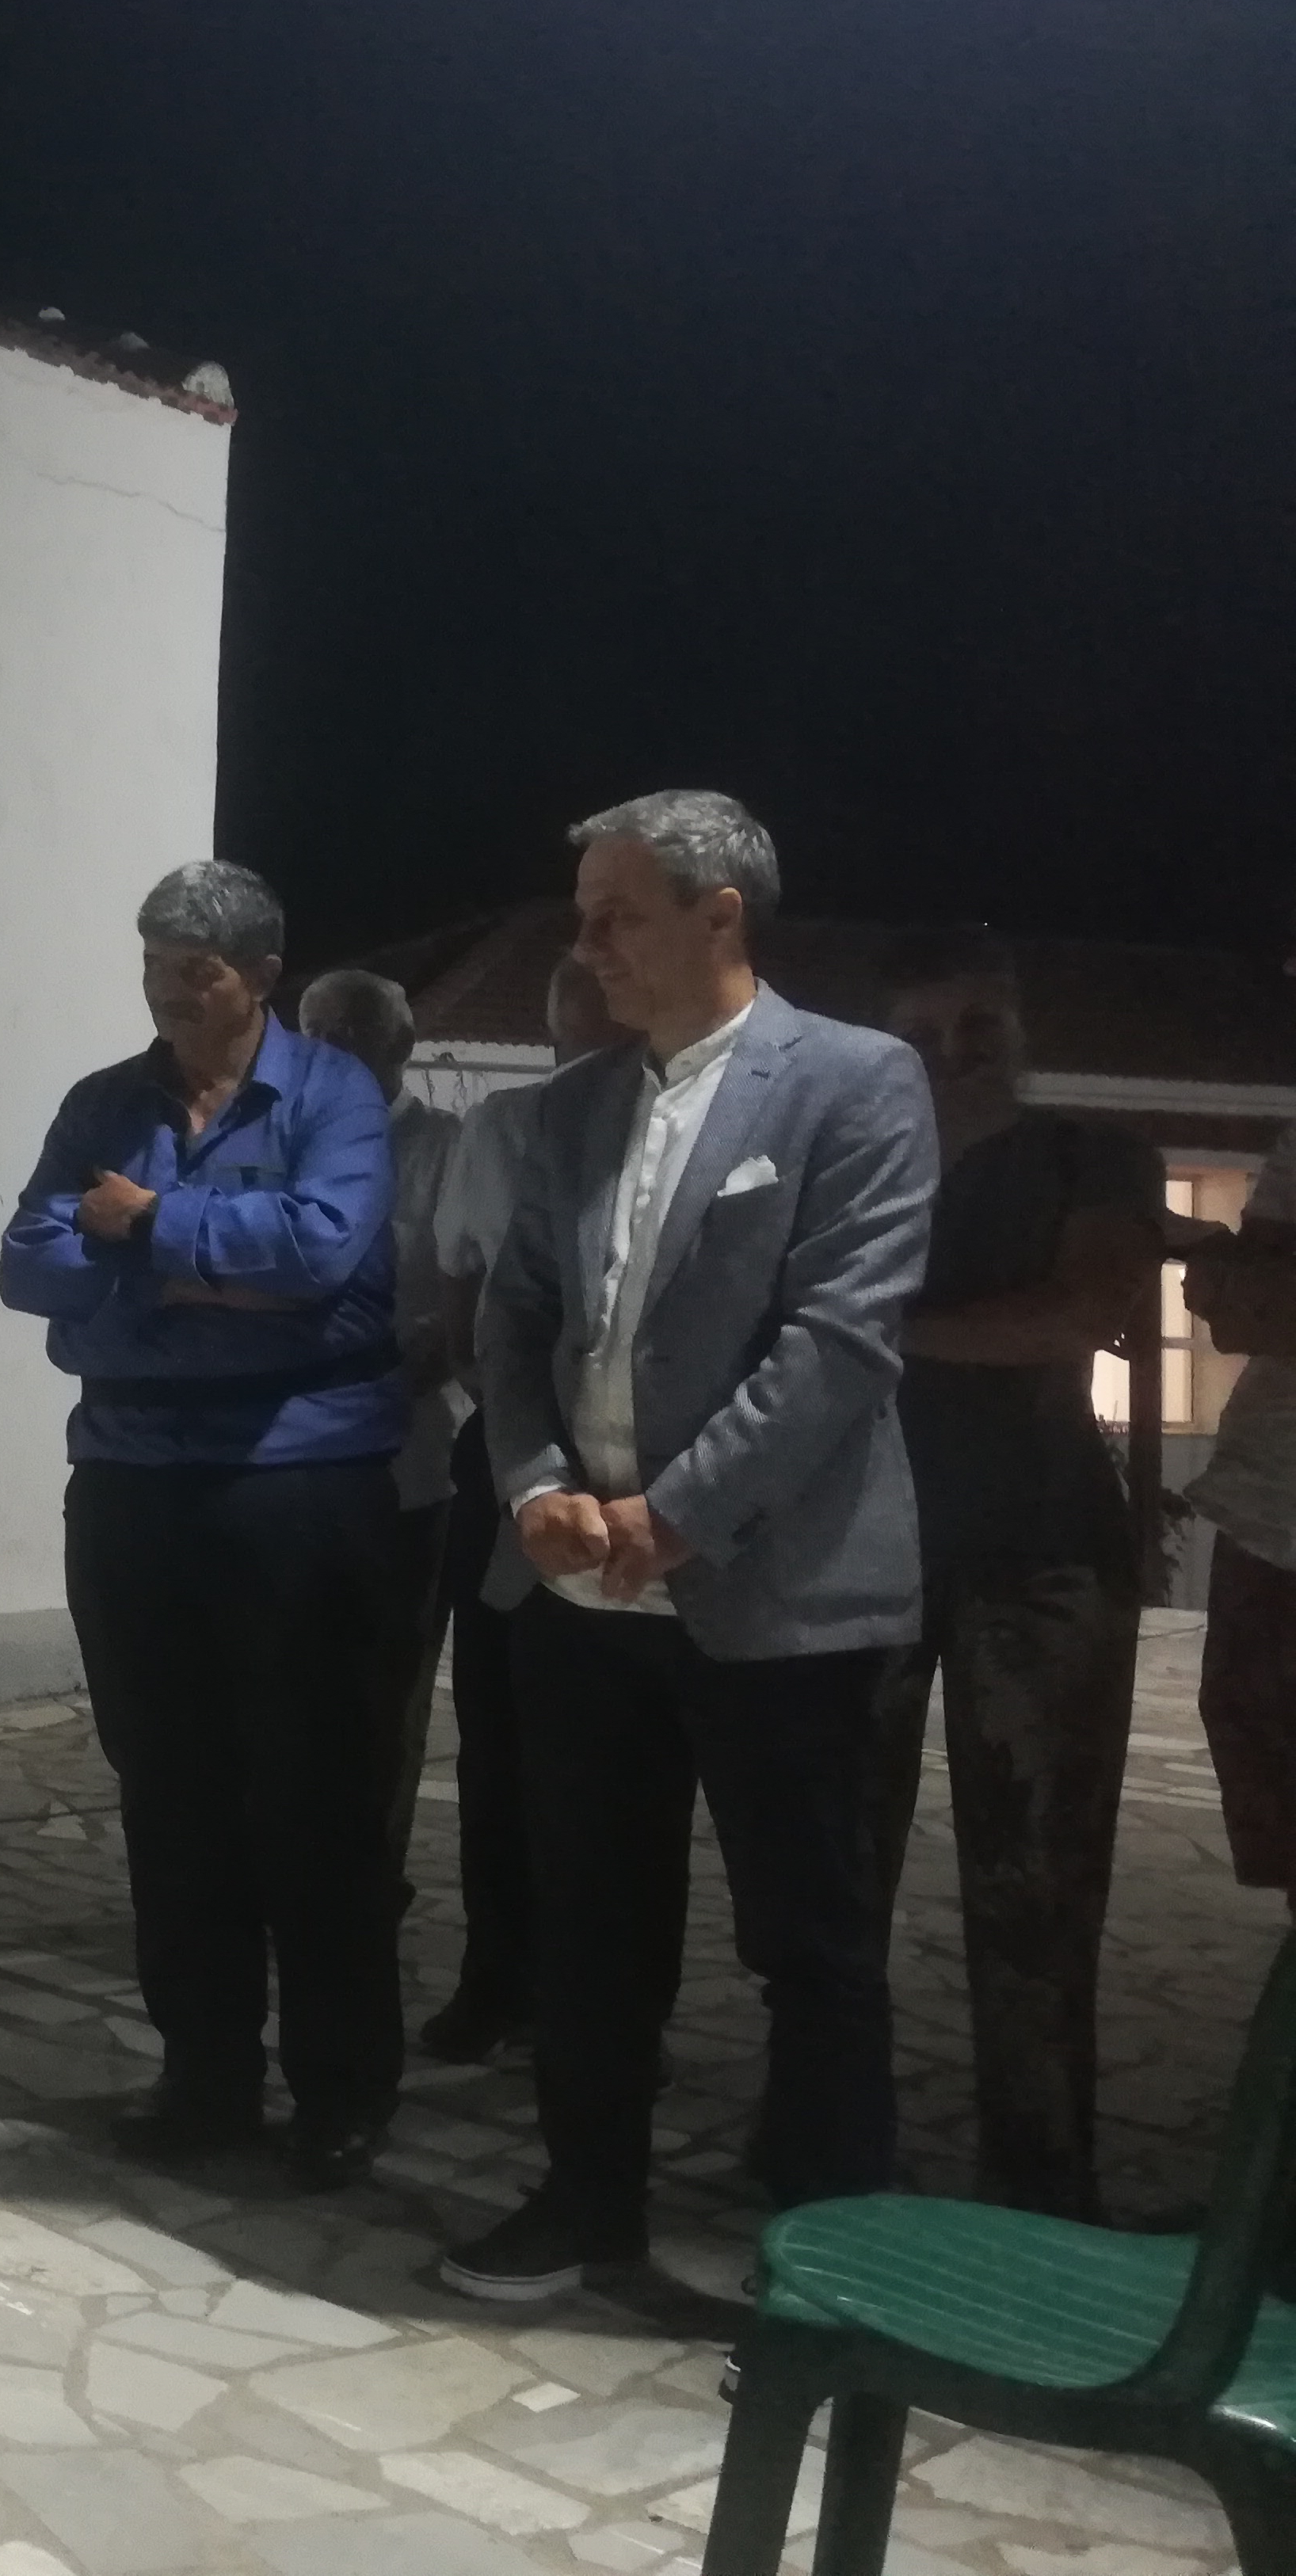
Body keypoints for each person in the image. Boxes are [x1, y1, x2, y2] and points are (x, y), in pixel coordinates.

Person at [444, 790, 938, 2302]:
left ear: (717, 914)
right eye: (581, 916)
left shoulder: (851, 1082)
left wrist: (671, 1517)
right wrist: (534, 1485)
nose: (586, 945)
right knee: (588, 1927)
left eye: (616, 916)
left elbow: (836, 1343)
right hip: (580, 1590)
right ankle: (586, 2207)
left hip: (772, 1596)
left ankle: (832, 2271)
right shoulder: (573, 1105)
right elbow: (513, 1319)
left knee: (810, 1944)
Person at [0, 859, 408, 2191]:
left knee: (315, 1797)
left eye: (199, 969)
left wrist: (147, 1226)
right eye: (155, 965)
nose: (170, 992)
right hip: (131, 1482)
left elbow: (325, 1255)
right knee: (168, 1792)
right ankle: (205, 2075)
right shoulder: (102, 1104)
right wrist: (201, 1265)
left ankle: (340, 2090)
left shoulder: (335, 1094)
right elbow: (26, 1264)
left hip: (297, 1483)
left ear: (264, 975)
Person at [866, 927, 1162, 2221]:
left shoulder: (1095, 1155)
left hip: (1044, 1551)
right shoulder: (851, 1160)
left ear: (1020, 1033)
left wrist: (871, 1330)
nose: (951, 1053)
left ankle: (1039, 2185)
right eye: (923, 1034)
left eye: (977, 1025)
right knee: (835, 1863)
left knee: (1038, 1883)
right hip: (865, 1548)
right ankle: (824, 2139)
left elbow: (1081, 1311)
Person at [417, 954, 635, 2061]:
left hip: (646, 1482)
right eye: (580, 1040)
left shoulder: (688, 1131)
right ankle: (499, 1977)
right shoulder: (505, 1131)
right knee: (500, 1742)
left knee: (622, 1763)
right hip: (516, 1466)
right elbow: (465, 1317)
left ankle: (606, 2005)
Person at [294, 968, 465, 1913]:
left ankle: (366, 1880)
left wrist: (372, 1388)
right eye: (316, 1032)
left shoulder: (444, 1150)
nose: (332, 1051)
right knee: (288, 1687)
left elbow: (461, 1310)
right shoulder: (280, 1143)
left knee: (386, 1694)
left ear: (400, 1047)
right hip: (284, 1476)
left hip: (403, 1472)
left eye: (354, 1034)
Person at [1184, 901, 1296, 1917]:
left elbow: (1253, 1300)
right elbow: (1246, 1307)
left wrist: (1231, 1275)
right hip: (1273, 1509)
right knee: (1257, 1740)